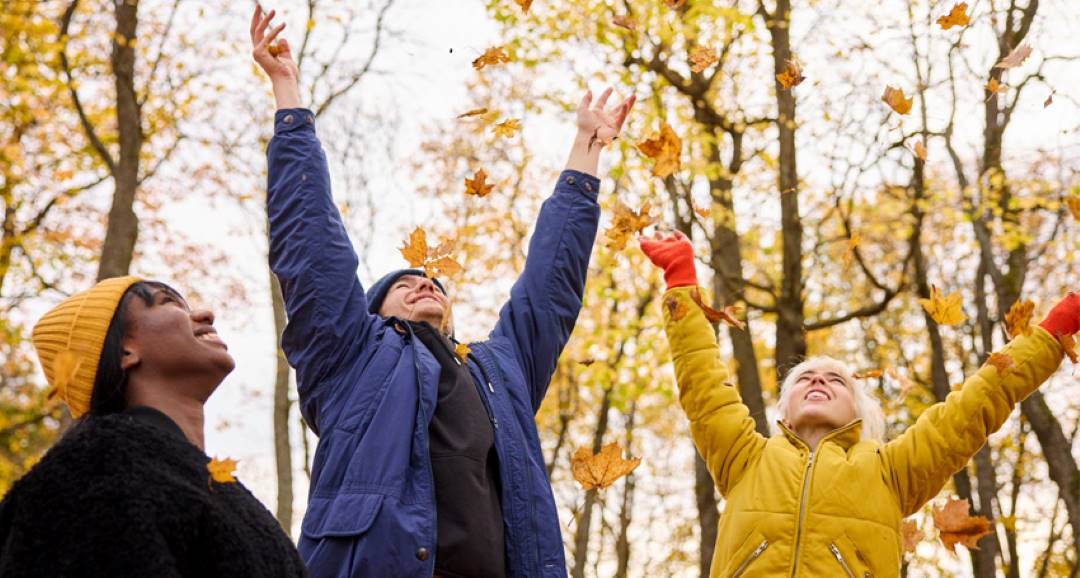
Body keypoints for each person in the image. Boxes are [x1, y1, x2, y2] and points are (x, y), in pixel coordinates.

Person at [250, 5, 635, 577]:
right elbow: (311, 247)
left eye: (431, 282)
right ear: (371, 313)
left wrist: (586, 152)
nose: (423, 283)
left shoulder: (501, 370)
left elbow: (548, 289)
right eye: (402, 284)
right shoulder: (349, 356)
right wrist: (288, 94)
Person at [640, 230, 1074, 577]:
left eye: (836, 380)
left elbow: (974, 405)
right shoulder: (745, 459)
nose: (817, 380)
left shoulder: (892, 472)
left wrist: (1051, 334)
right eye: (804, 378)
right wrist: (680, 280)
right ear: (783, 411)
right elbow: (703, 385)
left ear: (860, 413)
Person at [0, 276, 307, 577]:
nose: (206, 314)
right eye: (169, 303)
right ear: (124, 352)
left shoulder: (230, 496)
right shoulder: (89, 475)